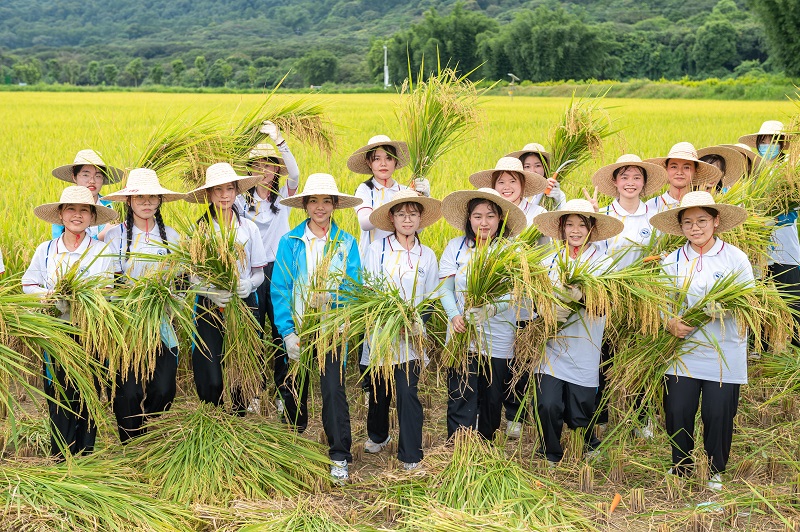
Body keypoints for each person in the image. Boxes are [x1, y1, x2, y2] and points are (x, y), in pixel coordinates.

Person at [649, 191, 751, 490]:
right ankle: (680, 465)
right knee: (677, 409)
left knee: (717, 412)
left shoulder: (735, 257)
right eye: (688, 222)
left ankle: (715, 469)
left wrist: (727, 307)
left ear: (716, 221)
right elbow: (659, 301)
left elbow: (749, 298)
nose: (696, 227)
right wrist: (668, 321)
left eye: (702, 220)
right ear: (680, 227)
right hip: (683, 351)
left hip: (724, 350)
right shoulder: (672, 261)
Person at [271, 172, 362, 483]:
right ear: (305, 205)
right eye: (314, 201)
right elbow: (280, 288)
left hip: (332, 330)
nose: (320, 207)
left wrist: (334, 303)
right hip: (299, 327)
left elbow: (354, 288)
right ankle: (293, 443)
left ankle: (339, 455)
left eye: (326, 201)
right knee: (293, 387)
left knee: (333, 390)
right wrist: (287, 332)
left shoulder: (346, 243)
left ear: (334, 205)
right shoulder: (290, 242)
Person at [21, 186, 119, 456]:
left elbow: (109, 291)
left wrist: (88, 298)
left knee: (89, 390)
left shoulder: (101, 251)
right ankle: (61, 455)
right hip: (57, 333)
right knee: (59, 391)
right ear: (61, 215)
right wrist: (49, 296)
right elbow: (28, 284)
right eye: (71, 209)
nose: (77, 215)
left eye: (84, 210)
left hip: (91, 332)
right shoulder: (47, 250)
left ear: (91, 216)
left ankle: (85, 453)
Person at [531, 199, 623, 466]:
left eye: (581, 225)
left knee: (579, 408)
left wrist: (583, 297)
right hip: (551, 343)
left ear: (591, 229)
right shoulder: (548, 261)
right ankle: (551, 452)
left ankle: (584, 439)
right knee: (548, 403)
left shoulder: (604, 264)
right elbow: (534, 298)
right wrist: (547, 310)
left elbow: (610, 302)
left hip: (586, 343)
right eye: (569, 224)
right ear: (560, 228)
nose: (575, 230)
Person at [468, 156, 549, 438]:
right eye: (500, 181)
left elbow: (545, 256)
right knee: (497, 360)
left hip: (525, 299)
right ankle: (488, 415)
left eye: (512, 181)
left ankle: (515, 412)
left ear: (523, 185)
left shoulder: (536, 214)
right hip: (495, 303)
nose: (505, 186)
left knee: (521, 361)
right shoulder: (493, 213)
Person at [361, 189, 441, 470]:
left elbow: (431, 298)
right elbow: (368, 291)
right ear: (392, 218)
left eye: (413, 214)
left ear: (420, 219)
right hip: (381, 333)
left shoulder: (427, 255)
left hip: (412, 338)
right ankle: (378, 434)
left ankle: (410, 454)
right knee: (380, 390)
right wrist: (386, 319)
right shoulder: (377, 250)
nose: (407, 219)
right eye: (401, 214)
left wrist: (418, 324)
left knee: (407, 392)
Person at [438, 188, 527, 440]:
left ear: (500, 219)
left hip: (498, 335)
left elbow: (515, 291)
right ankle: (459, 445)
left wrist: (490, 309)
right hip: (461, 332)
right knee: (460, 392)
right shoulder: (456, 247)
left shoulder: (511, 251)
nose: (484, 222)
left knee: (491, 396)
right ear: (469, 219)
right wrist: (455, 315)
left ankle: (485, 445)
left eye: (490, 216)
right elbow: (445, 288)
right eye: (477, 216)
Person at [103, 168, 184, 442]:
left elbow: (181, 280)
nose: (146, 202)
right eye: (140, 198)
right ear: (129, 202)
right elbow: (110, 281)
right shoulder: (115, 237)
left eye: (152, 197)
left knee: (164, 387)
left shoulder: (172, 237)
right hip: (127, 323)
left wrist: (174, 300)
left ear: (160, 200)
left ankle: (148, 425)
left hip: (162, 321)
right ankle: (131, 441)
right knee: (128, 389)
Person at [588, 154, 668, 433]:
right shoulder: (603, 216)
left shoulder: (654, 218)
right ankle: (599, 420)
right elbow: (594, 256)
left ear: (644, 183)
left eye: (637, 177)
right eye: (625, 177)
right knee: (602, 358)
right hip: (608, 298)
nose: (630, 183)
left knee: (638, 358)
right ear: (615, 182)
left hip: (642, 300)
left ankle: (640, 419)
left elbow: (663, 258)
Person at [184, 163, 266, 414]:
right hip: (209, 306)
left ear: (236, 192)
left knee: (241, 360)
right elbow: (192, 277)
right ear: (208, 194)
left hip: (243, 302)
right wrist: (210, 292)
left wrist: (248, 284)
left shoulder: (249, 228)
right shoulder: (200, 230)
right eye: (217, 190)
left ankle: (240, 413)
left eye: (230, 189)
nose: (224, 195)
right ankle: (214, 415)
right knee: (210, 366)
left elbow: (259, 272)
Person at [235, 120, 301, 417]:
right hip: (250, 272)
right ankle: (253, 392)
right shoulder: (239, 200)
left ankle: (283, 392)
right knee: (251, 332)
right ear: (249, 170)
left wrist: (280, 142)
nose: (263, 170)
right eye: (257, 165)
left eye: (269, 164)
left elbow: (296, 173)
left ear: (276, 169)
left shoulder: (284, 198)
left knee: (281, 332)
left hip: (280, 271)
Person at [739, 121, 800, 344]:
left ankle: (795, 348)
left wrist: (786, 213)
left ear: (782, 145)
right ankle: (759, 346)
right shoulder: (750, 171)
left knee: (793, 298)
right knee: (758, 297)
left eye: (774, 141)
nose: (768, 145)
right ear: (757, 143)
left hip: (786, 246)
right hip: (757, 246)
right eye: (764, 141)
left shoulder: (791, 172)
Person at [350, 135, 430, 258]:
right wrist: (393, 206)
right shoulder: (365, 189)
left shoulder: (405, 191)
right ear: (369, 163)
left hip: (401, 260)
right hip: (372, 259)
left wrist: (424, 199)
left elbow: (417, 229)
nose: (383, 164)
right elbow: (364, 224)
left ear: (395, 161)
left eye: (388, 158)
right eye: (377, 159)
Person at [51, 149, 124, 241]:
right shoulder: (64, 209)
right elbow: (60, 245)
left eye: (98, 176)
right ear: (74, 176)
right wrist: (100, 237)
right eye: (86, 175)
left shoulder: (114, 208)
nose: (92, 181)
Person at [644, 142, 722, 213]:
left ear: (696, 171)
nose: (680, 172)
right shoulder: (651, 206)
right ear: (666, 169)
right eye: (674, 167)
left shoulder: (704, 205)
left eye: (686, 167)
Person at [505, 143, 567, 209]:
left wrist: (557, 200)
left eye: (537, 166)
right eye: (527, 166)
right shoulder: (512, 190)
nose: (532, 171)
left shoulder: (556, 193)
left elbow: (562, 216)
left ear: (545, 168)